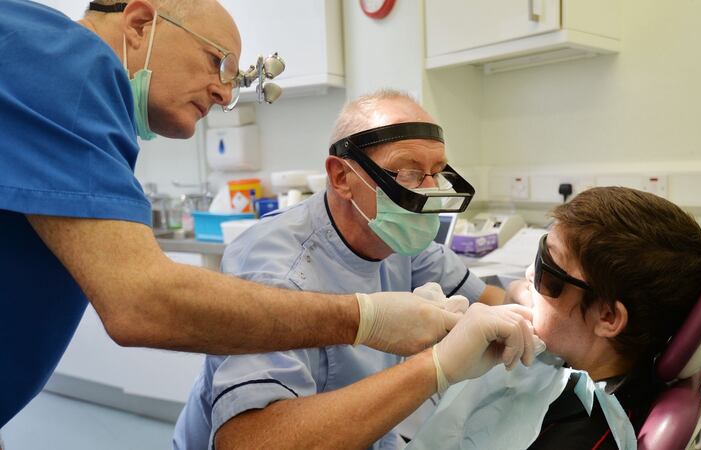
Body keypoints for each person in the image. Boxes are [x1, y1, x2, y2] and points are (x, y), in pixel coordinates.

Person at [0, 0, 525, 428]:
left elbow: (489, 296)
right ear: (141, 24)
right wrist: (369, 321)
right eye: (218, 63)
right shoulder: (64, 58)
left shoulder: (404, 249)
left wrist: (526, 298)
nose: (227, 94)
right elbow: (141, 302)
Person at [171, 90, 531, 450]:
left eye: (436, 173)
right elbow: (250, 442)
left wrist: (519, 298)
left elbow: (489, 301)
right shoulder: (277, 271)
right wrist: (436, 367)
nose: (429, 191)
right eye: (408, 172)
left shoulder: (399, 242)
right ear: (342, 176)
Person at [502, 186, 701, 449]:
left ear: (607, 317)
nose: (528, 273)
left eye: (546, 272)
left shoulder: (575, 440)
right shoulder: (631, 372)